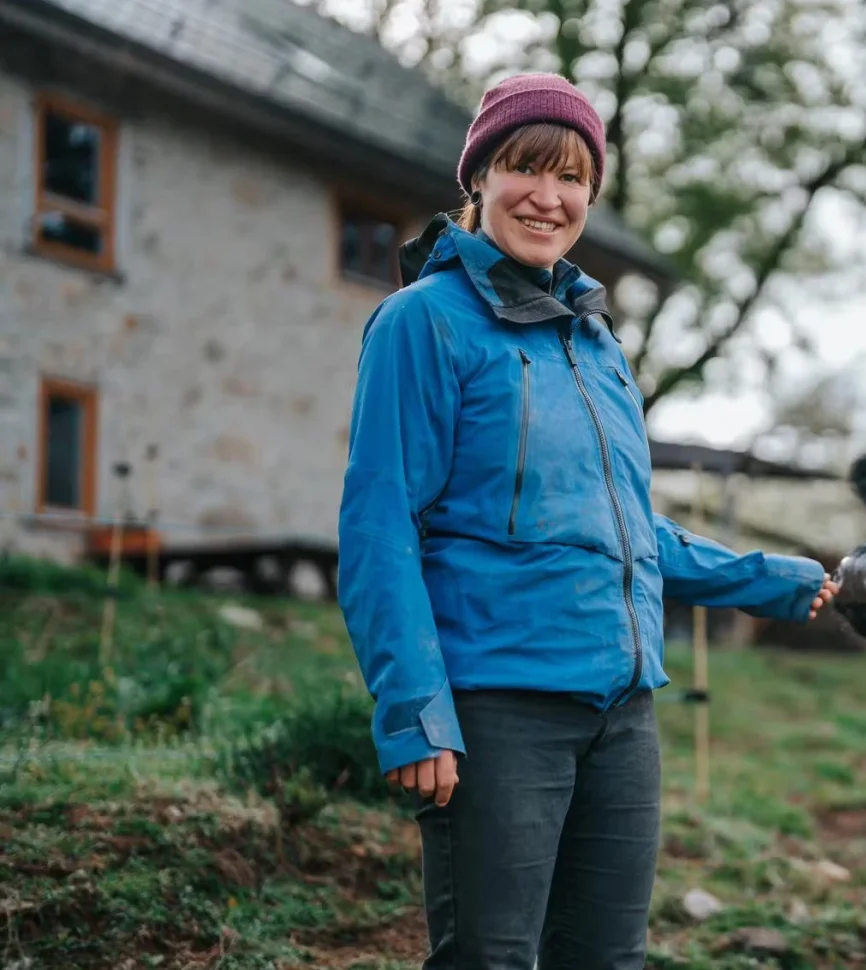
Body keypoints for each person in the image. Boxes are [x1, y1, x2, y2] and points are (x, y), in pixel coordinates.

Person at [335, 72, 840, 970]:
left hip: (623, 712)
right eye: (524, 167)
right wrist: (415, 710)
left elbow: (634, 535)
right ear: (479, 178)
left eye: (571, 177)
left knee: (607, 959)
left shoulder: (597, 344)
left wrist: (777, 579)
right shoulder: (424, 324)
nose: (548, 195)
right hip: (499, 712)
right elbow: (380, 529)